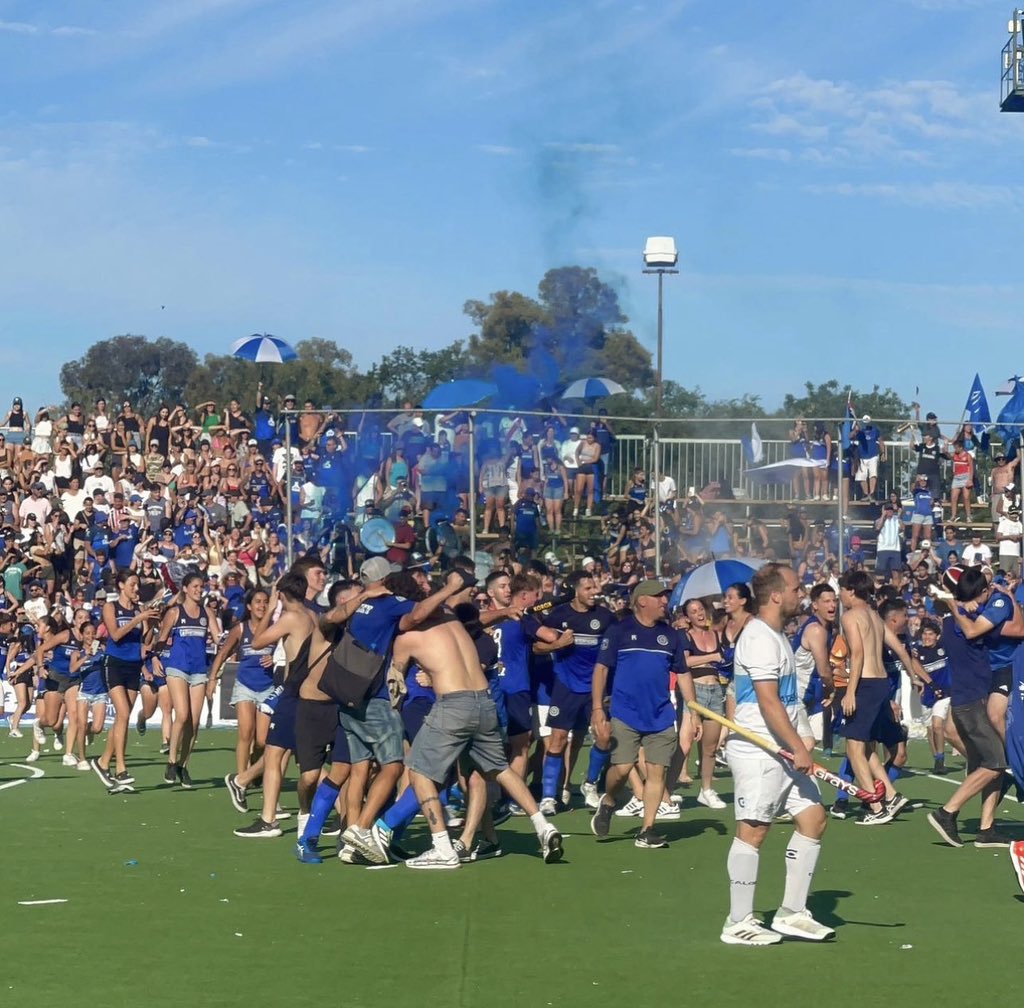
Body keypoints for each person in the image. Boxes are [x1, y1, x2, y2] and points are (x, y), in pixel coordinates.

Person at [397, 604, 564, 869]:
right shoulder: (457, 628)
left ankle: (442, 847)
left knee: (419, 771)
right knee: (498, 769)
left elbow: (395, 684)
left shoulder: (412, 636)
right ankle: (542, 826)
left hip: (454, 706)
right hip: (484, 704)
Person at [721, 563, 833, 946]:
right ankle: (738, 921)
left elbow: (788, 699)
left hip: (784, 748)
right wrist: (797, 746)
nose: (802, 594)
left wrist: (804, 737)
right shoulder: (757, 637)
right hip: (759, 750)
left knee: (814, 819)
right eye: (796, 588)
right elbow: (768, 702)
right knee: (753, 831)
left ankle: (791, 913)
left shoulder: (779, 635)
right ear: (776, 595)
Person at [589, 581, 699, 848]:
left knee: (656, 772)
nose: (665, 601)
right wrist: (597, 708)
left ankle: (647, 829)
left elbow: (683, 673)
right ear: (642, 601)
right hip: (625, 712)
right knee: (622, 769)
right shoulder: (619, 631)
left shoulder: (670, 635)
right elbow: (601, 669)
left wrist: (693, 710)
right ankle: (609, 800)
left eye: (665, 597)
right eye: (659, 596)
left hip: (661, 715)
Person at [928, 567, 1020, 848]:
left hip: (967, 698)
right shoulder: (963, 621)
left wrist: (956, 603)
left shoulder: (951, 618)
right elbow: (975, 630)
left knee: (991, 762)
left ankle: (986, 829)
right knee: (996, 763)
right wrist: (962, 606)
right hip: (973, 699)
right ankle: (947, 813)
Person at [233, 571, 316, 839]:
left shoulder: (291, 617)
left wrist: (270, 610)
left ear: (281, 594)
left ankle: (268, 820)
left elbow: (257, 641)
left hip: (293, 692)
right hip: (310, 691)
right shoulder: (313, 616)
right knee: (304, 759)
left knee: (274, 753)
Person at [837, 570, 916, 824]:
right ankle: (891, 795)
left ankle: (875, 806)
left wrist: (850, 691)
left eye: (841, 590)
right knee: (867, 746)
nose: (840, 596)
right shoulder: (874, 615)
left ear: (851, 591)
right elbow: (900, 648)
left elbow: (857, 653)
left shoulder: (850, 616)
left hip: (866, 684)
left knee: (853, 748)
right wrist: (913, 675)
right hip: (882, 684)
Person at [538, 569, 615, 814]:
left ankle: (589, 785)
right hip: (566, 685)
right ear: (574, 591)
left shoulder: (606, 617)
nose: (595, 592)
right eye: (588, 588)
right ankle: (548, 796)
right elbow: (537, 647)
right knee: (558, 739)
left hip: (595, 688)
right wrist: (557, 644)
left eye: (595, 587)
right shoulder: (558, 615)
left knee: (604, 736)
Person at [89, 570, 161, 793]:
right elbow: (116, 635)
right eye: (132, 584)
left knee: (124, 717)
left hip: (133, 666)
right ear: (121, 586)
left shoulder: (139, 609)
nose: (136, 588)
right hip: (114, 664)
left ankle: (103, 762)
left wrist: (150, 623)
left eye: (137, 585)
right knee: (122, 713)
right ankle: (120, 768)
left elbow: (144, 641)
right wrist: (138, 619)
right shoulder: (111, 607)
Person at [152, 572, 218, 787]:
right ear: (186, 589)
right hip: (177, 667)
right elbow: (162, 638)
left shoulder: (207, 613)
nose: (199, 590)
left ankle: (183, 765)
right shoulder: (175, 612)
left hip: (199, 670)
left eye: (201, 586)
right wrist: (154, 658)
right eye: (195, 586)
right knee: (182, 714)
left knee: (194, 722)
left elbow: (218, 637)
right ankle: (171, 760)